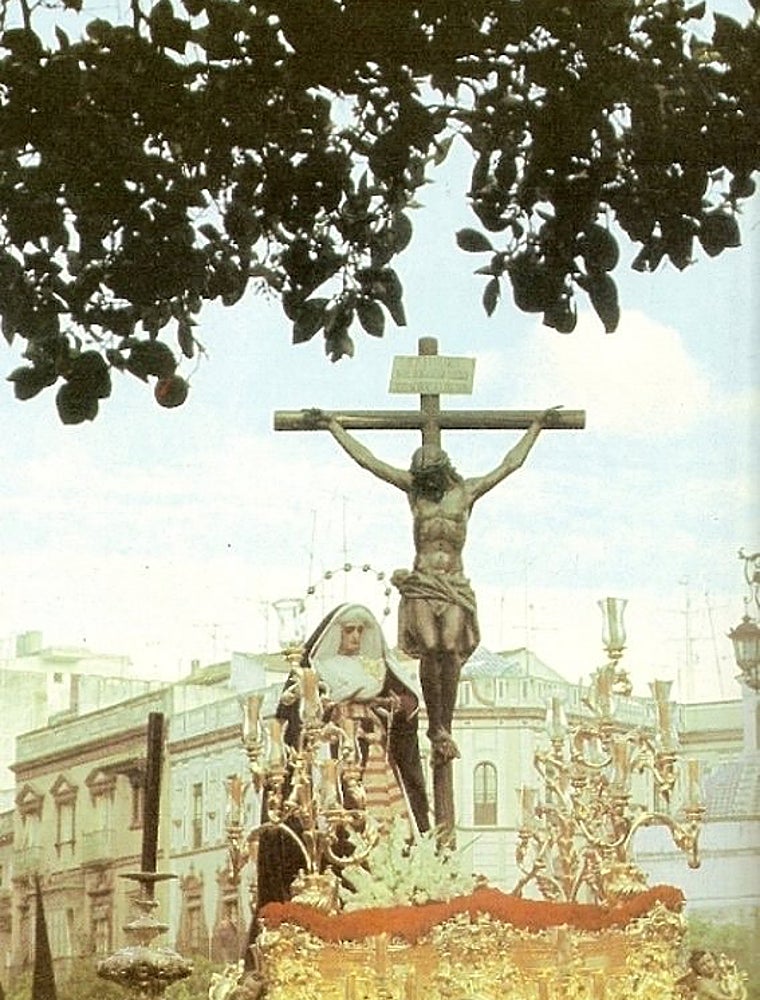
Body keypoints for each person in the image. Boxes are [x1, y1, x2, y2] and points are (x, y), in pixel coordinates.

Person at [309, 408, 559, 764]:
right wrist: (334, 427)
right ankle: (436, 729)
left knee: (450, 651)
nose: (425, 483)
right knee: (430, 646)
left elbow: (509, 464)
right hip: (423, 582)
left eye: (430, 478)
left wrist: (536, 427)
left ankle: (445, 725)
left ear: (443, 472)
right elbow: (370, 462)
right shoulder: (415, 491)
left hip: (454, 583)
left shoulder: (466, 492)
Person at [244, 604, 430, 968]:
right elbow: (295, 715)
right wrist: (327, 708)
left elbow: (407, 702)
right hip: (329, 761)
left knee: (382, 828)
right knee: (329, 830)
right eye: (349, 630)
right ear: (336, 633)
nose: (356, 637)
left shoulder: (377, 668)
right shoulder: (317, 670)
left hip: (371, 758)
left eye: (361, 630)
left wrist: (384, 706)